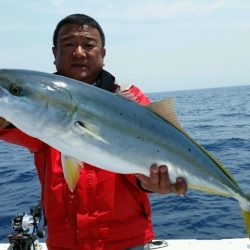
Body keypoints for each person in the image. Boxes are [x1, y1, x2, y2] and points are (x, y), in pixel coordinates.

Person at [0, 14, 187, 250]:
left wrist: (152, 183)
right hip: (65, 244)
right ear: (54, 53)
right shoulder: (38, 106)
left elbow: (148, 167)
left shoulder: (132, 101)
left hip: (126, 242)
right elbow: (9, 123)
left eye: (88, 45)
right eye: (69, 44)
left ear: (103, 54)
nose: (79, 52)